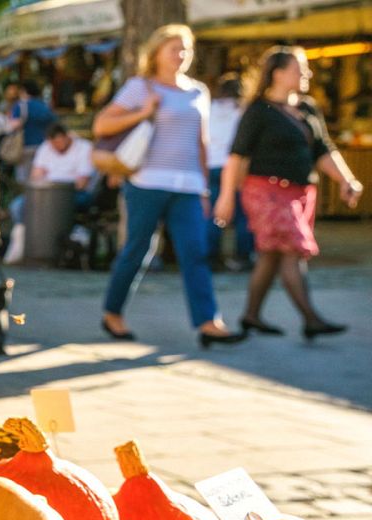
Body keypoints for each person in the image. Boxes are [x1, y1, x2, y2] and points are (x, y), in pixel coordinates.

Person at [95, 24, 244, 347]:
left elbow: (201, 143)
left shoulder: (198, 92)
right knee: (138, 251)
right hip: (146, 182)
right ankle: (113, 313)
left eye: (186, 49)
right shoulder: (141, 87)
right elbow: (102, 124)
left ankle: (208, 321)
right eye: (174, 48)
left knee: (195, 251)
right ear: (157, 53)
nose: (181, 55)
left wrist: (205, 188)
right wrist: (143, 112)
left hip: (188, 184)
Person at [215, 46, 363, 339]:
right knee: (292, 250)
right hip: (267, 191)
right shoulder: (258, 111)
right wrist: (226, 196)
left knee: (270, 255)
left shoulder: (307, 108)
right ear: (278, 74)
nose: (306, 74)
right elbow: (236, 157)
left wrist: (346, 180)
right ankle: (311, 319)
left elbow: (323, 150)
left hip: (301, 192)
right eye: (300, 68)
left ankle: (251, 316)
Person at [206, 75, 254, 271]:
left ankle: (211, 256)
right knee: (243, 214)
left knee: (214, 213)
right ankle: (243, 256)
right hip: (236, 166)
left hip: (211, 164)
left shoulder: (209, 108)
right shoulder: (244, 111)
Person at [11, 122, 99, 222]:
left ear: (66, 136)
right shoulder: (46, 147)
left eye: (58, 142)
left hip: (73, 193)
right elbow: (35, 176)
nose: (55, 146)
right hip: (45, 192)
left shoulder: (85, 148)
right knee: (18, 206)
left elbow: (82, 183)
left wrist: (52, 185)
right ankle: (26, 234)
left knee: (52, 206)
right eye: (53, 143)